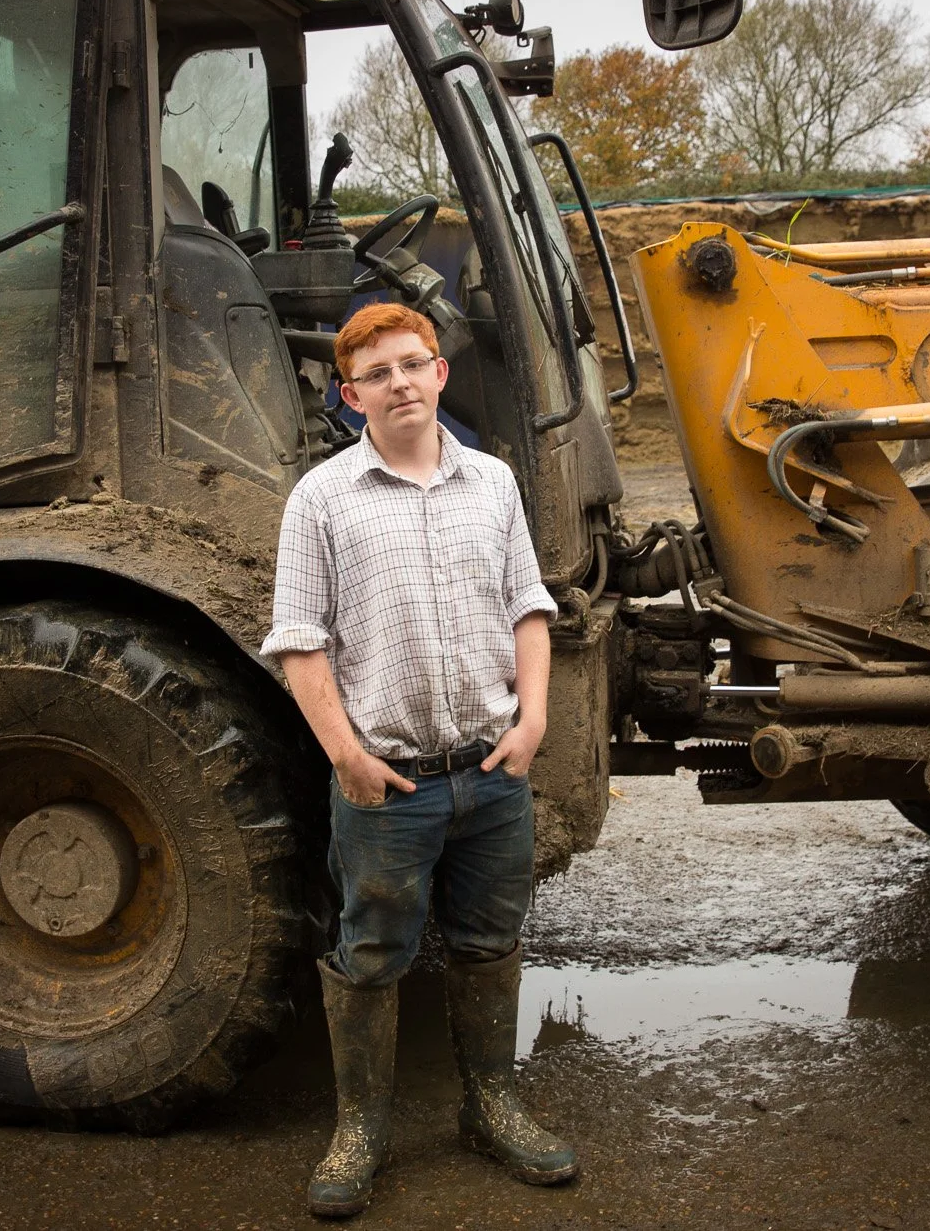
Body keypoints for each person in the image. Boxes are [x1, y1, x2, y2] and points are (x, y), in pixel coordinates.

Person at [263, 301, 577, 1219]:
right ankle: (361, 1129)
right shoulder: (320, 500)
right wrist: (348, 760)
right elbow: (300, 643)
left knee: (489, 939)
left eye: (414, 364)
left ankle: (491, 1105)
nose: (399, 383)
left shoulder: (494, 485)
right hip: (387, 782)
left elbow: (529, 607)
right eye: (378, 374)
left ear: (440, 373)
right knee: (370, 951)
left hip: (492, 773)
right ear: (349, 393)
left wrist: (533, 726)